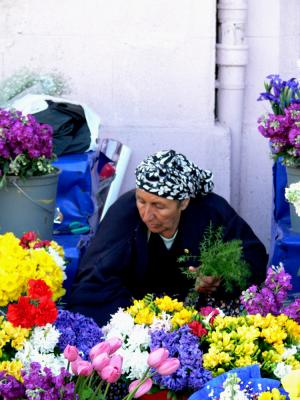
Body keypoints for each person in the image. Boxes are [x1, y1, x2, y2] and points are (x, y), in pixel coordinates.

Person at [67, 150, 268, 326]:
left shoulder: (211, 212)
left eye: (159, 206)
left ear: (184, 203)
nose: (146, 215)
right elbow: (95, 279)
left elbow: (252, 256)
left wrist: (221, 277)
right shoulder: (125, 212)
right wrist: (135, 323)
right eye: (141, 201)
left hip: (197, 316)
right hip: (135, 315)